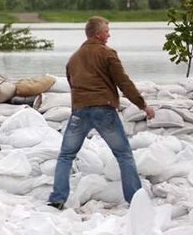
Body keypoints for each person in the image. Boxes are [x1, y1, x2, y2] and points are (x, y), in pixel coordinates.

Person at [47, 16, 156, 209]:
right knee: (124, 154)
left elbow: (73, 84)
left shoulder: (73, 59)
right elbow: (124, 83)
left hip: (79, 112)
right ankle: (135, 199)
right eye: (107, 31)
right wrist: (143, 105)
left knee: (65, 155)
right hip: (104, 110)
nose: (109, 34)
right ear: (98, 34)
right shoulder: (107, 54)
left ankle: (57, 198)